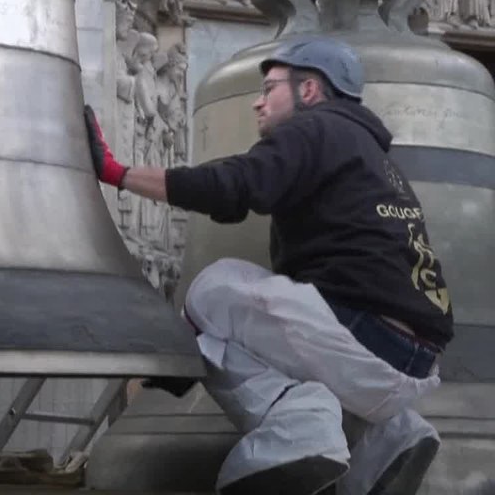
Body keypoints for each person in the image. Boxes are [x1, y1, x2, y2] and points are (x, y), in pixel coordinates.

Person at [85, 35, 453, 495]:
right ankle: (390, 435)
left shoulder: (313, 129)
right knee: (290, 339)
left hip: (364, 332)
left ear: (310, 90)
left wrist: (118, 174)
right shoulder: (377, 159)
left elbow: (235, 185)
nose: (258, 103)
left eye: (270, 88)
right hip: (415, 359)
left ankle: (298, 429)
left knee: (212, 290)